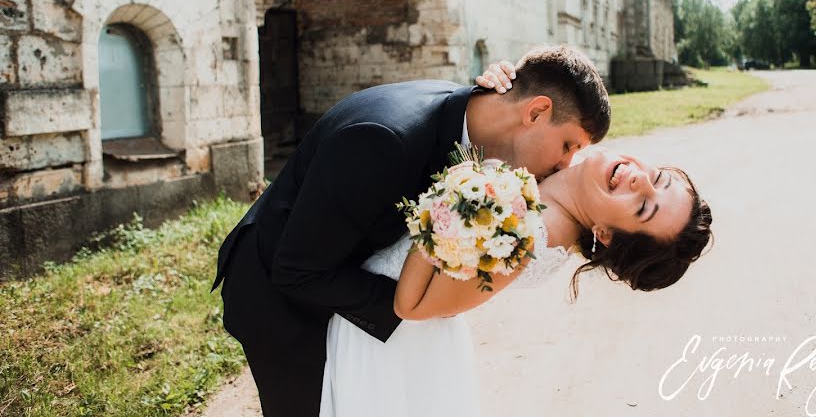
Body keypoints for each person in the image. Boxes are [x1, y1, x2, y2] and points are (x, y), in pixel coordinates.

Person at [213, 45, 610, 416]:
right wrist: (418, 303)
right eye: (567, 146)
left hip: (334, 272)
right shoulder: (384, 139)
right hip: (280, 299)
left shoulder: (469, 117)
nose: (565, 166)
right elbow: (296, 270)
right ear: (537, 111)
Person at [319, 62, 713, 417]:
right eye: (658, 179)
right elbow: (509, 123)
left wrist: (448, 205)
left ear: (606, 235)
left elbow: (412, 306)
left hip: (385, 350)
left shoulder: (525, 237)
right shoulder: (558, 171)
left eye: (643, 207)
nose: (640, 181)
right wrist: (498, 93)